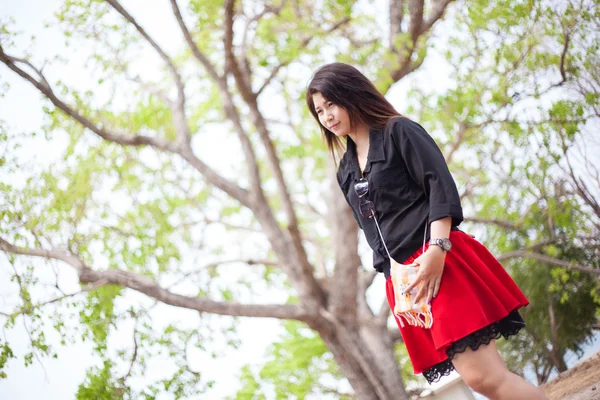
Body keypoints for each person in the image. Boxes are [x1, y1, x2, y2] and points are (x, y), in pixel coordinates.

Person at [306, 62, 548, 400]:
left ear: (351, 94)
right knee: (470, 381)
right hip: (407, 283)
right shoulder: (345, 170)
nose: (327, 115)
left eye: (331, 103)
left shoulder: (398, 131)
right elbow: (373, 231)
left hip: (439, 260)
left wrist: (438, 247)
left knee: (483, 377)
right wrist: (395, 282)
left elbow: (439, 187)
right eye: (319, 110)